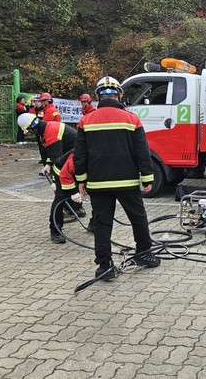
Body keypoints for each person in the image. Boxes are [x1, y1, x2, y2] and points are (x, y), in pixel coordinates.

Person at [74, 76, 159, 281]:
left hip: (98, 183)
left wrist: (81, 180)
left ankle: (105, 266)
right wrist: (148, 178)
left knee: (102, 224)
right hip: (127, 182)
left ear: (98, 97)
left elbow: (80, 155)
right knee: (138, 218)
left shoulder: (86, 121)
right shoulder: (131, 119)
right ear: (119, 95)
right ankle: (143, 253)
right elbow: (142, 152)